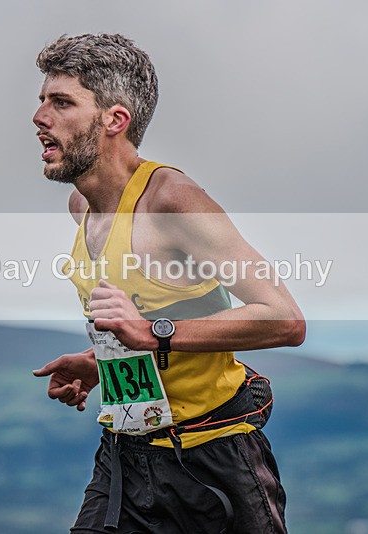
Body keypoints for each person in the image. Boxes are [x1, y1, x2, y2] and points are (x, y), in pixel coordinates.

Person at [31, 33, 305, 534]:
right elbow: (154, 307)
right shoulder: (82, 208)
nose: (39, 117)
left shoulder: (170, 199)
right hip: (124, 453)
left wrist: (152, 333)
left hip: (213, 456)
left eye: (61, 102)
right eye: (42, 100)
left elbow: (283, 318)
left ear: (114, 120)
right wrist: (98, 361)